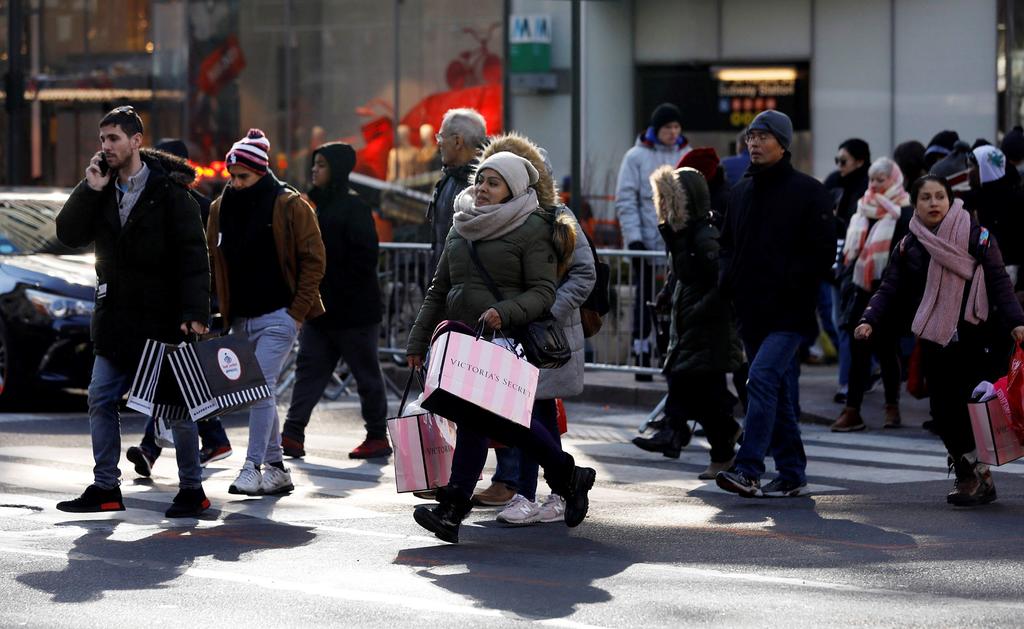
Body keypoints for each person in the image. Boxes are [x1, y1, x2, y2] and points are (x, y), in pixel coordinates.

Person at [406, 151, 597, 543]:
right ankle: (562, 476)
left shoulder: (532, 227)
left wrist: (504, 312)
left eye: (494, 183)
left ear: (513, 189)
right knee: (486, 422)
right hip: (463, 341)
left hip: (507, 341)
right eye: (481, 181)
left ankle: (455, 508)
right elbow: (440, 289)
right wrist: (418, 339)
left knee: (503, 423)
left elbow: (544, 293)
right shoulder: (462, 225)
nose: (482, 189)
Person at [54, 105, 212, 518]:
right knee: (100, 398)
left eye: (113, 139)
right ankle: (106, 486)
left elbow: (194, 257)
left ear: (136, 141)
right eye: (101, 139)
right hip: (114, 319)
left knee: (176, 407)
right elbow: (67, 234)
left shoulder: (170, 193)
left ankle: (192, 490)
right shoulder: (101, 187)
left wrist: (196, 310)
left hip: (161, 319)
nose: (105, 147)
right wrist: (88, 189)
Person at [856, 175, 1024, 506]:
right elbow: (890, 288)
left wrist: (1017, 322)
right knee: (943, 413)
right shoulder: (909, 245)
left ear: (951, 200)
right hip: (936, 339)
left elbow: (1000, 282)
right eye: (926, 198)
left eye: (939, 197)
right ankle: (971, 475)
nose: (934, 203)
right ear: (915, 204)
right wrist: (869, 318)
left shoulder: (979, 237)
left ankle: (975, 477)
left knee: (975, 411)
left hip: (979, 338)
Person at [458, 137, 596, 524]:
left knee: (537, 410)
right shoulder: (497, 218)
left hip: (544, 332)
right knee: (524, 413)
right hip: (510, 332)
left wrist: (545, 308)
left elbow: (585, 273)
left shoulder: (556, 216)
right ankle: (542, 491)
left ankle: (541, 493)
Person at [715, 110, 835, 498]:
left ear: (782, 144)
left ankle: (748, 468)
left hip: (790, 312)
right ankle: (792, 471)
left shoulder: (808, 191)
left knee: (762, 379)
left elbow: (821, 253)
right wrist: (727, 283)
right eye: (751, 136)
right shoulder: (741, 193)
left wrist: (794, 284)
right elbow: (727, 247)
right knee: (778, 392)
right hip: (751, 311)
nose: (754, 143)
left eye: (763, 136)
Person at [207, 129, 326, 497]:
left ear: (262, 171)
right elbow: (213, 262)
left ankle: (251, 466)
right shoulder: (220, 208)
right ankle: (276, 467)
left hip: (279, 315)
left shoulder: (289, 204)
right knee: (260, 392)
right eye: (232, 176)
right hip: (241, 319)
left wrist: (296, 313)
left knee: (260, 387)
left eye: (243, 176)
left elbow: (314, 260)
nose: (236, 183)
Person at [126, 137, 233, 477]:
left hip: (187, 308)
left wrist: (201, 308)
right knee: (179, 378)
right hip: (175, 305)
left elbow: (203, 261)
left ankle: (154, 449)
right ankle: (210, 439)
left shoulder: (196, 205)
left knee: (173, 377)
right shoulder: (184, 201)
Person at [632, 165, 744, 480]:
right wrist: (669, 294)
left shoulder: (703, 235)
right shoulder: (683, 233)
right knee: (703, 392)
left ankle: (676, 431)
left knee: (690, 382)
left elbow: (721, 284)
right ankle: (722, 445)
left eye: (670, 199)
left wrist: (696, 309)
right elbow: (682, 274)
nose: (664, 206)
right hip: (694, 324)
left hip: (708, 326)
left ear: (686, 201)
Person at [280, 142, 390, 460]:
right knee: (309, 370)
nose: (314, 170)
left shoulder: (353, 207)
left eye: (322, 165)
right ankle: (292, 433)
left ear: (338, 170)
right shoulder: (316, 204)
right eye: (314, 164)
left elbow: (366, 256)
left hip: (354, 311)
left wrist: (332, 284)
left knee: (365, 373)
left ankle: (377, 435)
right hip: (321, 310)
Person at [831, 158, 913, 432]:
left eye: (881, 179)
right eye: (873, 179)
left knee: (887, 351)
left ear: (894, 180)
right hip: (861, 289)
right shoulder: (862, 208)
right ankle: (852, 410)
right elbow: (851, 252)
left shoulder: (904, 212)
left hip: (890, 291)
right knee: (859, 350)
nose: (876, 184)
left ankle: (892, 407)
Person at [615, 103, 692, 379]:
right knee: (644, 301)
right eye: (667, 127)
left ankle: (673, 356)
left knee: (679, 301)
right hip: (646, 243)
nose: (673, 132)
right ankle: (642, 352)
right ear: (656, 129)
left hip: (678, 245)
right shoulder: (635, 157)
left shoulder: (687, 154)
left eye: (676, 127)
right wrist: (634, 239)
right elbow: (626, 200)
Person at [426, 108, 487, 273]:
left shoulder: (488, 184)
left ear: (458, 142)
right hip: (443, 291)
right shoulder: (446, 180)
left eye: (440, 137)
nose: (438, 143)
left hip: (468, 293)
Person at [966, 145, 1024, 284]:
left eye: (972, 167)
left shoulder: (1016, 201)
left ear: (985, 169)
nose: (967, 172)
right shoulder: (974, 199)